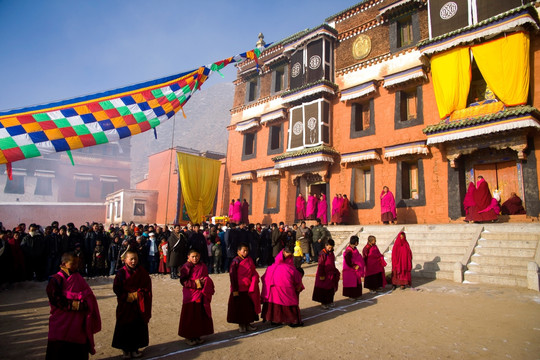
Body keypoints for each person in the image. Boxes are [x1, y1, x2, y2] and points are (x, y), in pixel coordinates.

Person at [46, 252, 101, 360]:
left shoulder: (78, 277)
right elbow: (55, 299)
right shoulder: (56, 279)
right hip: (61, 319)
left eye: (77, 263)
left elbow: (89, 295)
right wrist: (76, 305)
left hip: (78, 322)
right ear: (64, 263)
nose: (76, 266)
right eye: (73, 263)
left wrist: (85, 303)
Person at [111, 250, 152, 359]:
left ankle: (135, 349)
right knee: (125, 326)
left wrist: (138, 294)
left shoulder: (142, 272)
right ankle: (125, 350)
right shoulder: (121, 273)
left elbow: (147, 286)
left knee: (137, 326)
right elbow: (117, 288)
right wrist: (126, 296)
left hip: (138, 304)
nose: (133, 261)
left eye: (135, 259)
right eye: (131, 259)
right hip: (125, 305)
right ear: (125, 260)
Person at [260, 246, 304, 327]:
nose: (288, 255)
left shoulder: (289, 263)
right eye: (287, 253)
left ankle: (275, 319)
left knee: (277, 301)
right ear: (283, 252)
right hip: (277, 284)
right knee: (285, 300)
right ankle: (287, 320)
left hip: (281, 282)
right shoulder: (275, 265)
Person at [178, 249, 215, 346]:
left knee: (199, 315)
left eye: (197, 256)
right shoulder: (186, 267)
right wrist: (197, 283)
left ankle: (197, 335)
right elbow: (183, 281)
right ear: (188, 257)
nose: (195, 258)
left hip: (201, 293)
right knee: (190, 315)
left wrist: (206, 282)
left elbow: (206, 276)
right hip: (191, 295)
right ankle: (189, 336)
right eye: (193, 256)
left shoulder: (202, 266)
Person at [227, 243, 261, 333]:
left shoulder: (249, 260)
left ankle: (248, 324)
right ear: (238, 251)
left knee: (249, 307)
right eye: (243, 251)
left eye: (247, 250)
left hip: (249, 288)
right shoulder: (235, 261)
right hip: (239, 288)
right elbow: (232, 276)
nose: (245, 252)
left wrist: (254, 279)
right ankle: (241, 325)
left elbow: (253, 271)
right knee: (240, 308)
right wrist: (235, 290)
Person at [312, 239, 340, 309]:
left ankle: (329, 301)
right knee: (324, 289)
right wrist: (321, 275)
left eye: (331, 247)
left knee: (331, 288)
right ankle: (324, 303)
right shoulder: (322, 254)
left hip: (331, 274)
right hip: (324, 274)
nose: (330, 249)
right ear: (326, 246)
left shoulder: (331, 253)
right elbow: (321, 265)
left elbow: (332, 263)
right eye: (329, 247)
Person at [342, 235, 365, 300]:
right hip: (350, 270)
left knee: (357, 282)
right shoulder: (348, 251)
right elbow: (348, 260)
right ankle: (351, 296)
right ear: (355, 242)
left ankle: (357, 295)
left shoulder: (354, 249)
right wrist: (354, 266)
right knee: (351, 283)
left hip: (355, 270)